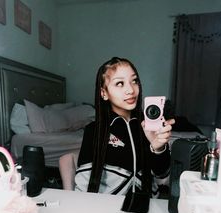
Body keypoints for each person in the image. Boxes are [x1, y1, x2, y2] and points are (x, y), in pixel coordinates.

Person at [61, 57, 175, 195]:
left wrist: (159, 148)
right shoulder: (93, 130)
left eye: (134, 81)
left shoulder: (148, 127)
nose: (131, 90)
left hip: (145, 206)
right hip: (108, 209)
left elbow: (161, 176)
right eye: (120, 83)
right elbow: (85, 186)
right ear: (104, 93)